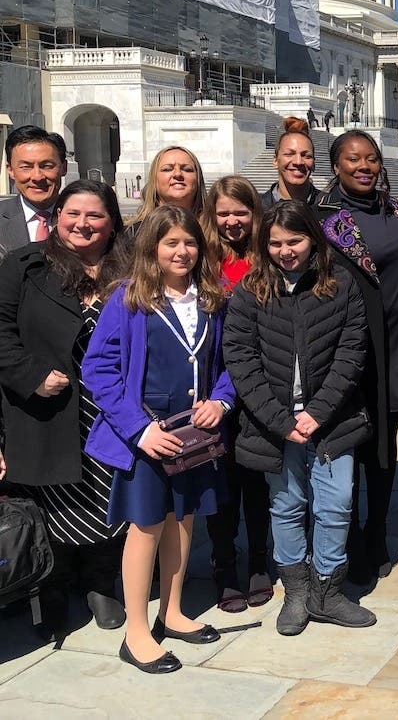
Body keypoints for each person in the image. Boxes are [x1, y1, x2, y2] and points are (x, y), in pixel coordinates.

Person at [82, 206, 234, 674]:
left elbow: (228, 363)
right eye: (171, 243)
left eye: (189, 242)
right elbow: (98, 368)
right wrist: (139, 429)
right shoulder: (129, 299)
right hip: (149, 436)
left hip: (194, 435)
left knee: (183, 521)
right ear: (152, 248)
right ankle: (137, 631)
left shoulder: (212, 297)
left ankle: (172, 611)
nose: (182, 251)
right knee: (146, 526)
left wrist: (222, 401)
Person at [224, 200, 376, 636]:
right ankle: (296, 591)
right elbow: (240, 357)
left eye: (295, 240)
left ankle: (327, 592)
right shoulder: (251, 289)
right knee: (287, 505)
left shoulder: (339, 284)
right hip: (275, 423)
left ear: (313, 239)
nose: (286, 251)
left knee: (336, 506)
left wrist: (318, 412)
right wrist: (278, 418)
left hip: (331, 420)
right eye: (275, 243)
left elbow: (352, 352)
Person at [0, 180, 132, 637]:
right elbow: (0, 329)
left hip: (113, 411)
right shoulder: (26, 265)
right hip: (48, 407)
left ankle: (100, 582)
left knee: (108, 498)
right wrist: (29, 372)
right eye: (72, 213)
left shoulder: (134, 269)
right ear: (57, 218)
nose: (82, 224)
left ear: (112, 221)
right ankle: (52, 587)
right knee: (53, 502)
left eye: (94, 215)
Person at [315, 130, 398, 583]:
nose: (365, 166)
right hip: (350, 349)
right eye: (354, 159)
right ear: (336, 165)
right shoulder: (321, 216)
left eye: (372, 159)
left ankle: (375, 530)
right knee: (350, 445)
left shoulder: (395, 208)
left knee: (384, 445)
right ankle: (347, 538)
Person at [198, 175, 271, 611]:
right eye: (222, 213)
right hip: (215, 387)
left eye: (240, 212)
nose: (231, 221)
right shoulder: (202, 258)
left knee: (257, 482)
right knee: (221, 488)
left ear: (254, 214)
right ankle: (224, 564)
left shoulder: (266, 255)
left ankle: (260, 558)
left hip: (261, 385)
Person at [0, 125, 68, 256]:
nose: (37, 176)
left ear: (63, 168)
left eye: (47, 166)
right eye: (26, 167)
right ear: (10, 171)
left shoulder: (84, 220)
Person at [126, 146, 207, 239]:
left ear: (198, 179)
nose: (178, 174)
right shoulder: (132, 234)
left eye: (187, 169)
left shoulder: (216, 230)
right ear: (154, 180)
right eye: (167, 169)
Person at [263, 118, 319, 208]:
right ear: (275, 161)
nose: (298, 162)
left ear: (314, 163)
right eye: (289, 154)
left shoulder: (331, 208)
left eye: (306, 156)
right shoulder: (256, 209)